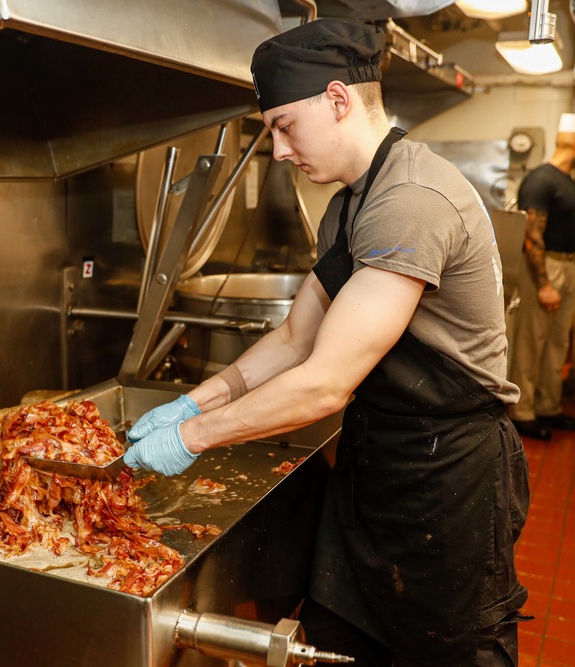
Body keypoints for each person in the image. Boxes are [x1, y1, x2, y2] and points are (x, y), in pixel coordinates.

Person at [123, 18, 530, 667]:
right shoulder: (348, 205)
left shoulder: (410, 199)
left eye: (285, 124)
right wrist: (193, 403)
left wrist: (193, 439)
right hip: (378, 462)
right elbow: (293, 338)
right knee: (339, 635)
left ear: (338, 99)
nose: (278, 149)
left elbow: (324, 382)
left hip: (450, 474)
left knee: (449, 651)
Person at [506, 113, 575, 441]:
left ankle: (548, 404)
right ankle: (522, 411)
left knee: (557, 342)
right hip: (542, 268)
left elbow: (569, 234)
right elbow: (532, 237)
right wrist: (544, 284)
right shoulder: (540, 181)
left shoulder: (570, 182)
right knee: (532, 342)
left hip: (567, 265)